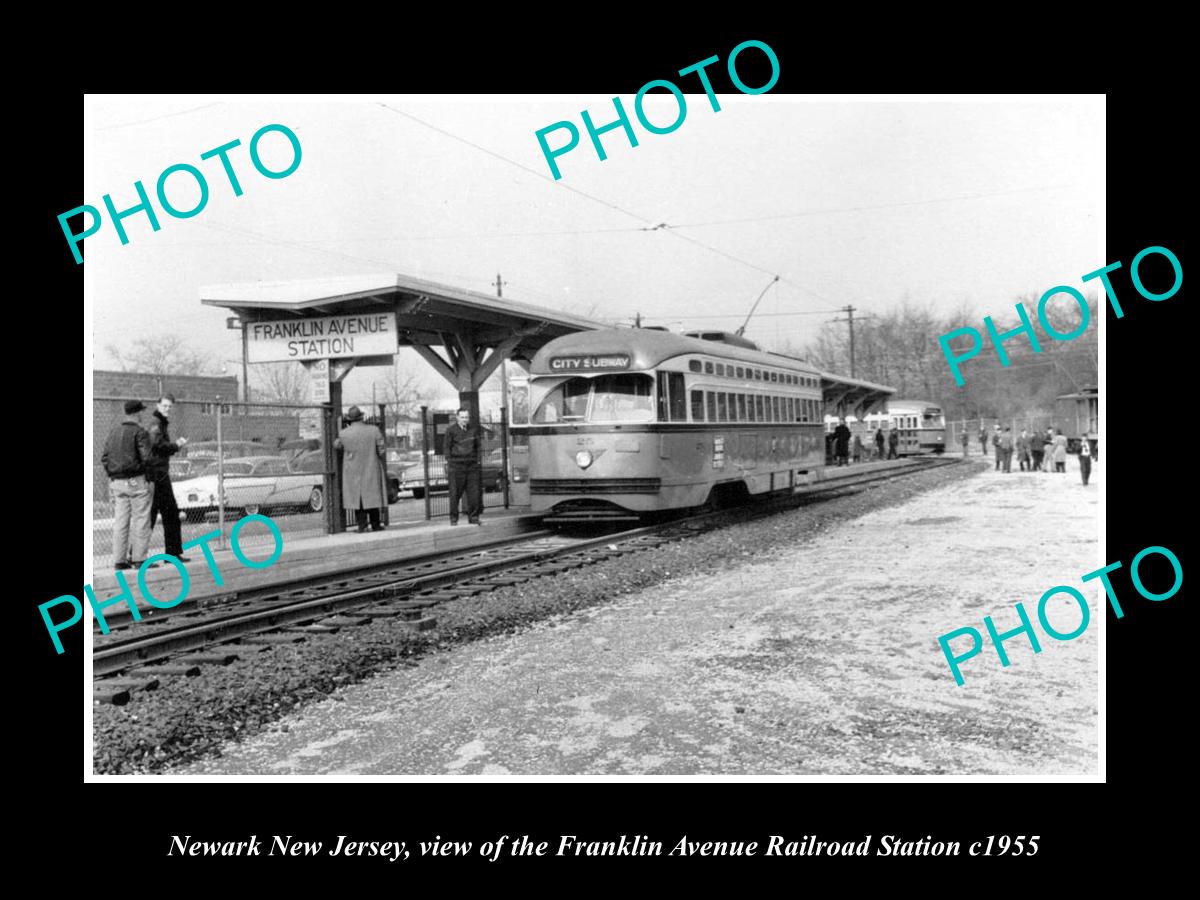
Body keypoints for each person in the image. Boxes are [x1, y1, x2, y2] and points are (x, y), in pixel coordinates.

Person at [101, 400, 156, 570]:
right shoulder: (140, 432)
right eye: (141, 412)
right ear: (138, 413)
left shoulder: (113, 432)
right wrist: (150, 479)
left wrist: (113, 475)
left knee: (121, 521)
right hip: (136, 480)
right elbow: (147, 458)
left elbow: (105, 458)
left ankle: (119, 560)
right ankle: (139, 559)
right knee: (141, 520)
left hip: (117, 482)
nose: (142, 415)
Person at [146, 394, 189, 562]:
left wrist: (172, 446)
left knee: (162, 513)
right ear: (158, 405)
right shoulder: (156, 423)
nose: (167, 409)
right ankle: (170, 553)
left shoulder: (159, 423)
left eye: (170, 406)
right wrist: (176, 445)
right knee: (167, 512)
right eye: (165, 405)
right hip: (158, 475)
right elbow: (157, 445)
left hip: (158, 474)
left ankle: (136, 554)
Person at [335, 405, 388, 532]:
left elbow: (337, 445)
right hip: (371, 466)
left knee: (357, 498)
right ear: (361, 417)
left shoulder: (343, 434)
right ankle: (376, 524)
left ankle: (361, 525)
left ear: (349, 420)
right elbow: (382, 449)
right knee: (372, 495)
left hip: (352, 470)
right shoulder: (374, 430)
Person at [445, 407, 483, 525]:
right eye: (462, 417)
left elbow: (478, 446)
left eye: (466, 417)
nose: (465, 420)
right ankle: (453, 518)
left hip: (471, 466)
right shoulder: (450, 430)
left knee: (474, 493)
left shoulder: (474, 430)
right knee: (455, 493)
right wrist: (451, 462)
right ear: (457, 417)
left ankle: (473, 517)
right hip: (457, 466)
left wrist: (477, 460)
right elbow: (447, 447)